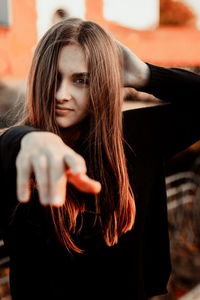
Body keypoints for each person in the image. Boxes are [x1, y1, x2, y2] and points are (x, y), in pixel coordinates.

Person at [0, 18, 199, 300]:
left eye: (81, 80)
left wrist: (145, 75)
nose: (61, 95)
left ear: (101, 84)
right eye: (53, 77)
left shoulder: (136, 137)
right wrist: (24, 138)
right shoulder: (18, 152)